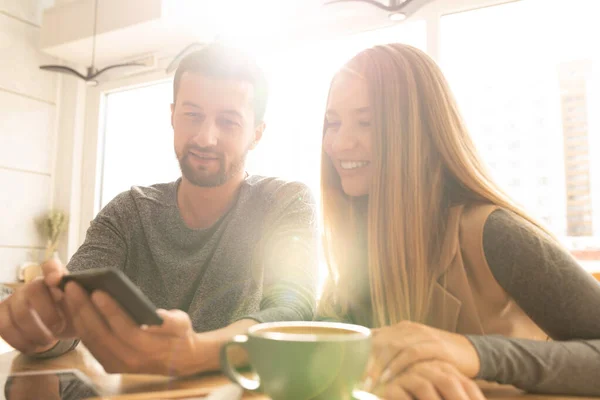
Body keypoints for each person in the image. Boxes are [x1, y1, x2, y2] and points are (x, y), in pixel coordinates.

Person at [0, 43, 318, 376]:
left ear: (256, 134)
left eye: (228, 122)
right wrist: (43, 330)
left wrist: (197, 353)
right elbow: (73, 314)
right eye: (192, 115)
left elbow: (292, 310)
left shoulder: (284, 201)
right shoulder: (129, 212)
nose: (205, 137)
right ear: (172, 116)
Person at [318, 43, 600, 399]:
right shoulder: (353, 248)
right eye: (332, 123)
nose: (340, 143)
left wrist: (472, 351)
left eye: (366, 122)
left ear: (419, 131)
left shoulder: (497, 234)